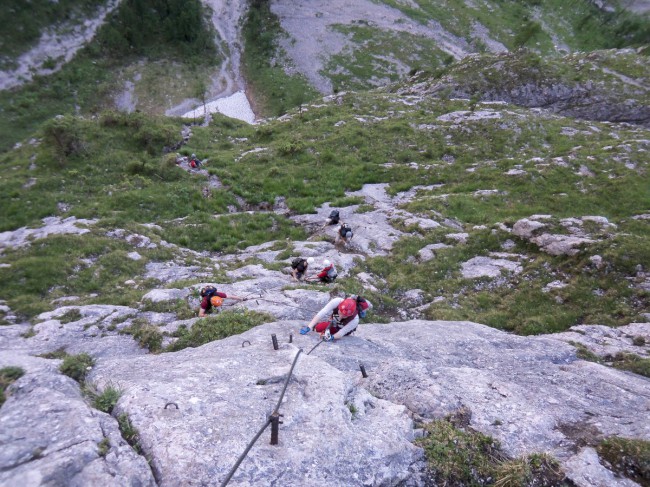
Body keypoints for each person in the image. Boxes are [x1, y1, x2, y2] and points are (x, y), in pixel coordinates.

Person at [299, 296, 372, 341]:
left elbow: (341, 333)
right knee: (319, 327)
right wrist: (309, 326)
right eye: (340, 312)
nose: (341, 315)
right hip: (334, 319)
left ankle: (327, 327)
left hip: (343, 326)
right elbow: (322, 313)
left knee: (330, 329)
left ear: (351, 314)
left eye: (344, 315)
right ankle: (318, 326)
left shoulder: (355, 320)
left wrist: (332, 337)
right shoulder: (337, 301)